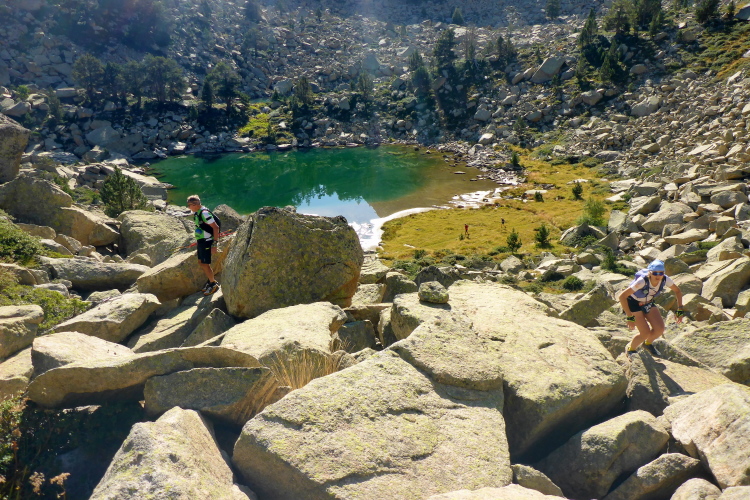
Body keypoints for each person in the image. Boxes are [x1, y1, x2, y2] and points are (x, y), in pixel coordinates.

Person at [619, 259, 684, 359]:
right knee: (645, 333)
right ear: (650, 273)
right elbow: (622, 296)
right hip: (633, 303)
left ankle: (647, 344)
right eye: (655, 273)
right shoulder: (642, 281)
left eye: (661, 273)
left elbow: (677, 291)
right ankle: (631, 349)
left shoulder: (665, 279)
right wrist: (629, 317)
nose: (658, 276)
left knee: (660, 329)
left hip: (648, 302)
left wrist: (680, 309)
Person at [187, 195, 221, 295]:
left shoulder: (204, 213)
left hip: (207, 241)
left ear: (194, 204)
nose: (189, 207)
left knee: (205, 263)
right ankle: (210, 281)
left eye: (189, 205)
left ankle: (213, 284)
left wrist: (214, 244)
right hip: (201, 241)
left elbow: (215, 227)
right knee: (201, 262)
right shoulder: (197, 212)